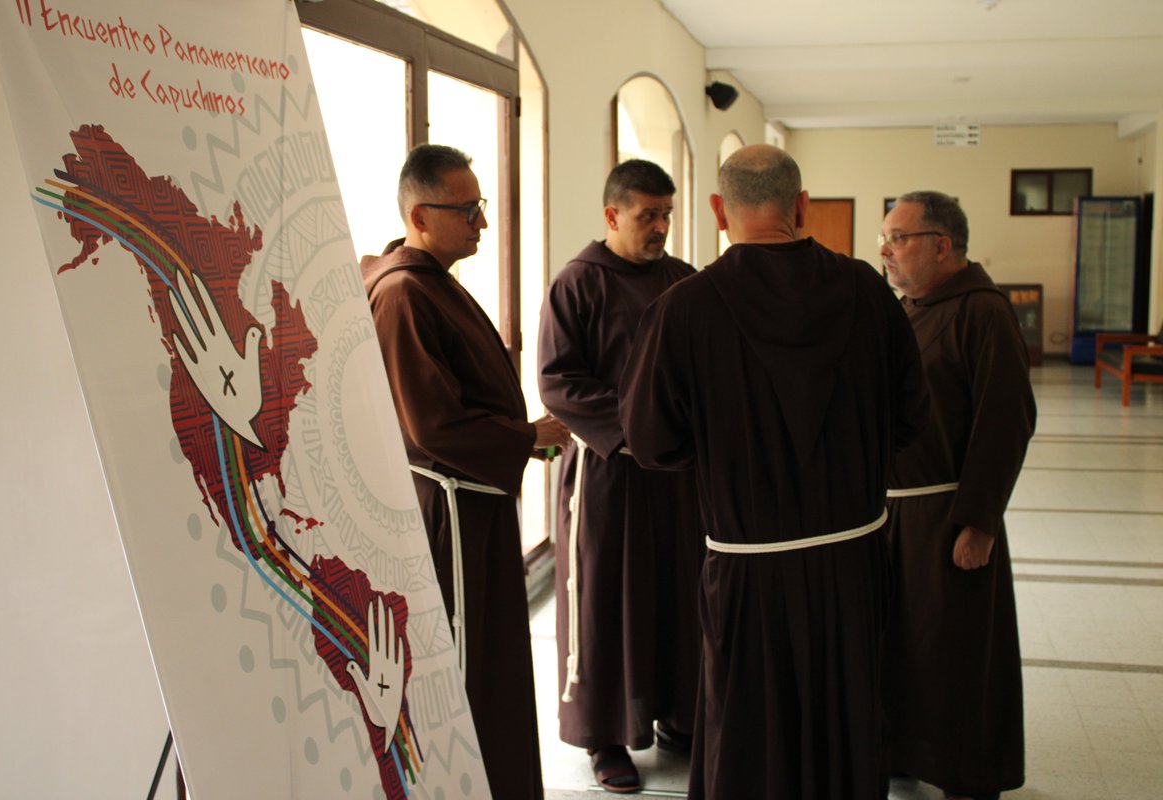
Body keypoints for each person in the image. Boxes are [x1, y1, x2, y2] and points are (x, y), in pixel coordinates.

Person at [619, 144, 927, 800]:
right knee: (847, 720)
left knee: (747, 727)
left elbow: (650, 442)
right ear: (802, 205)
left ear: (717, 210)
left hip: (746, 567)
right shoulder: (870, 293)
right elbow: (910, 422)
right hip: (853, 562)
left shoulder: (685, 307)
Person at [360, 143, 569, 800]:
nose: (482, 222)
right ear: (421, 215)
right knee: (465, 669)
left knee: (494, 665)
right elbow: (432, 425)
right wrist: (526, 435)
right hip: (449, 516)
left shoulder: (431, 284)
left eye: (482, 207)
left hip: (475, 508)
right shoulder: (402, 295)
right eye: (469, 209)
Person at [538, 159, 702, 793]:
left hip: (676, 477)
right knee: (606, 599)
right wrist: (643, 431)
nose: (660, 226)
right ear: (612, 215)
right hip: (608, 475)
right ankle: (605, 736)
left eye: (666, 214)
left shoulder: (684, 282)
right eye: (647, 216)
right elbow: (558, 382)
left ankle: (677, 714)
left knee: (675, 592)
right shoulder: (577, 283)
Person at [880, 191, 1036, 800]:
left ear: (941, 245)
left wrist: (979, 521)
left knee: (956, 649)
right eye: (884, 240)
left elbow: (1006, 420)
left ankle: (970, 773)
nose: (886, 251)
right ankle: (904, 748)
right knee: (905, 645)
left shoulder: (981, 311)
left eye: (898, 238)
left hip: (950, 514)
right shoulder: (911, 308)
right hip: (896, 511)